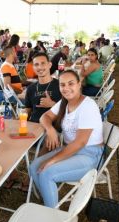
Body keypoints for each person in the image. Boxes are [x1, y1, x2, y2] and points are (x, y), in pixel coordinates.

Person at [29, 69, 103, 208]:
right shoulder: (65, 102)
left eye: (71, 84)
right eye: (62, 85)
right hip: (70, 150)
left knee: (46, 172)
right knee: (34, 167)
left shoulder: (88, 106)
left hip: (89, 155)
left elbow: (80, 142)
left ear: (79, 84)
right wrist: (50, 130)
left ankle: (52, 217)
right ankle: (49, 199)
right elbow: (44, 117)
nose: (66, 88)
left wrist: (52, 160)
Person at [25, 52, 61, 123]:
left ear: (49, 65)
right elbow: (28, 110)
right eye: (36, 64)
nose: (40, 67)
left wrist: (52, 104)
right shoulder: (30, 88)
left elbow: (70, 110)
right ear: (33, 68)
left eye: (43, 63)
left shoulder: (60, 85)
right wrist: (22, 114)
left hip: (52, 128)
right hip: (34, 127)